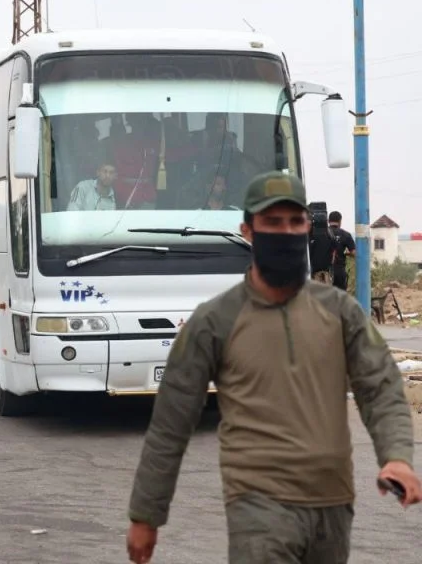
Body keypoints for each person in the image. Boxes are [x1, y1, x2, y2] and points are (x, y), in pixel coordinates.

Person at [126, 171, 420, 564]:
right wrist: (146, 514)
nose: (286, 232)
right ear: (247, 231)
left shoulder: (339, 311)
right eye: (273, 222)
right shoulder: (214, 321)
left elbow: (380, 387)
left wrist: (396, 457)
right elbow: (170, 423)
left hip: (332, 505)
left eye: (296, 221)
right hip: (257, 505)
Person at [329, 211, 356, 291]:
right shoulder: (345, 234)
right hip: (339, 271)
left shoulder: (322, 234)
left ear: (328, 221)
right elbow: (354, 253)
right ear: (340, 221)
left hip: (324, 273)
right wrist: (346, 253)